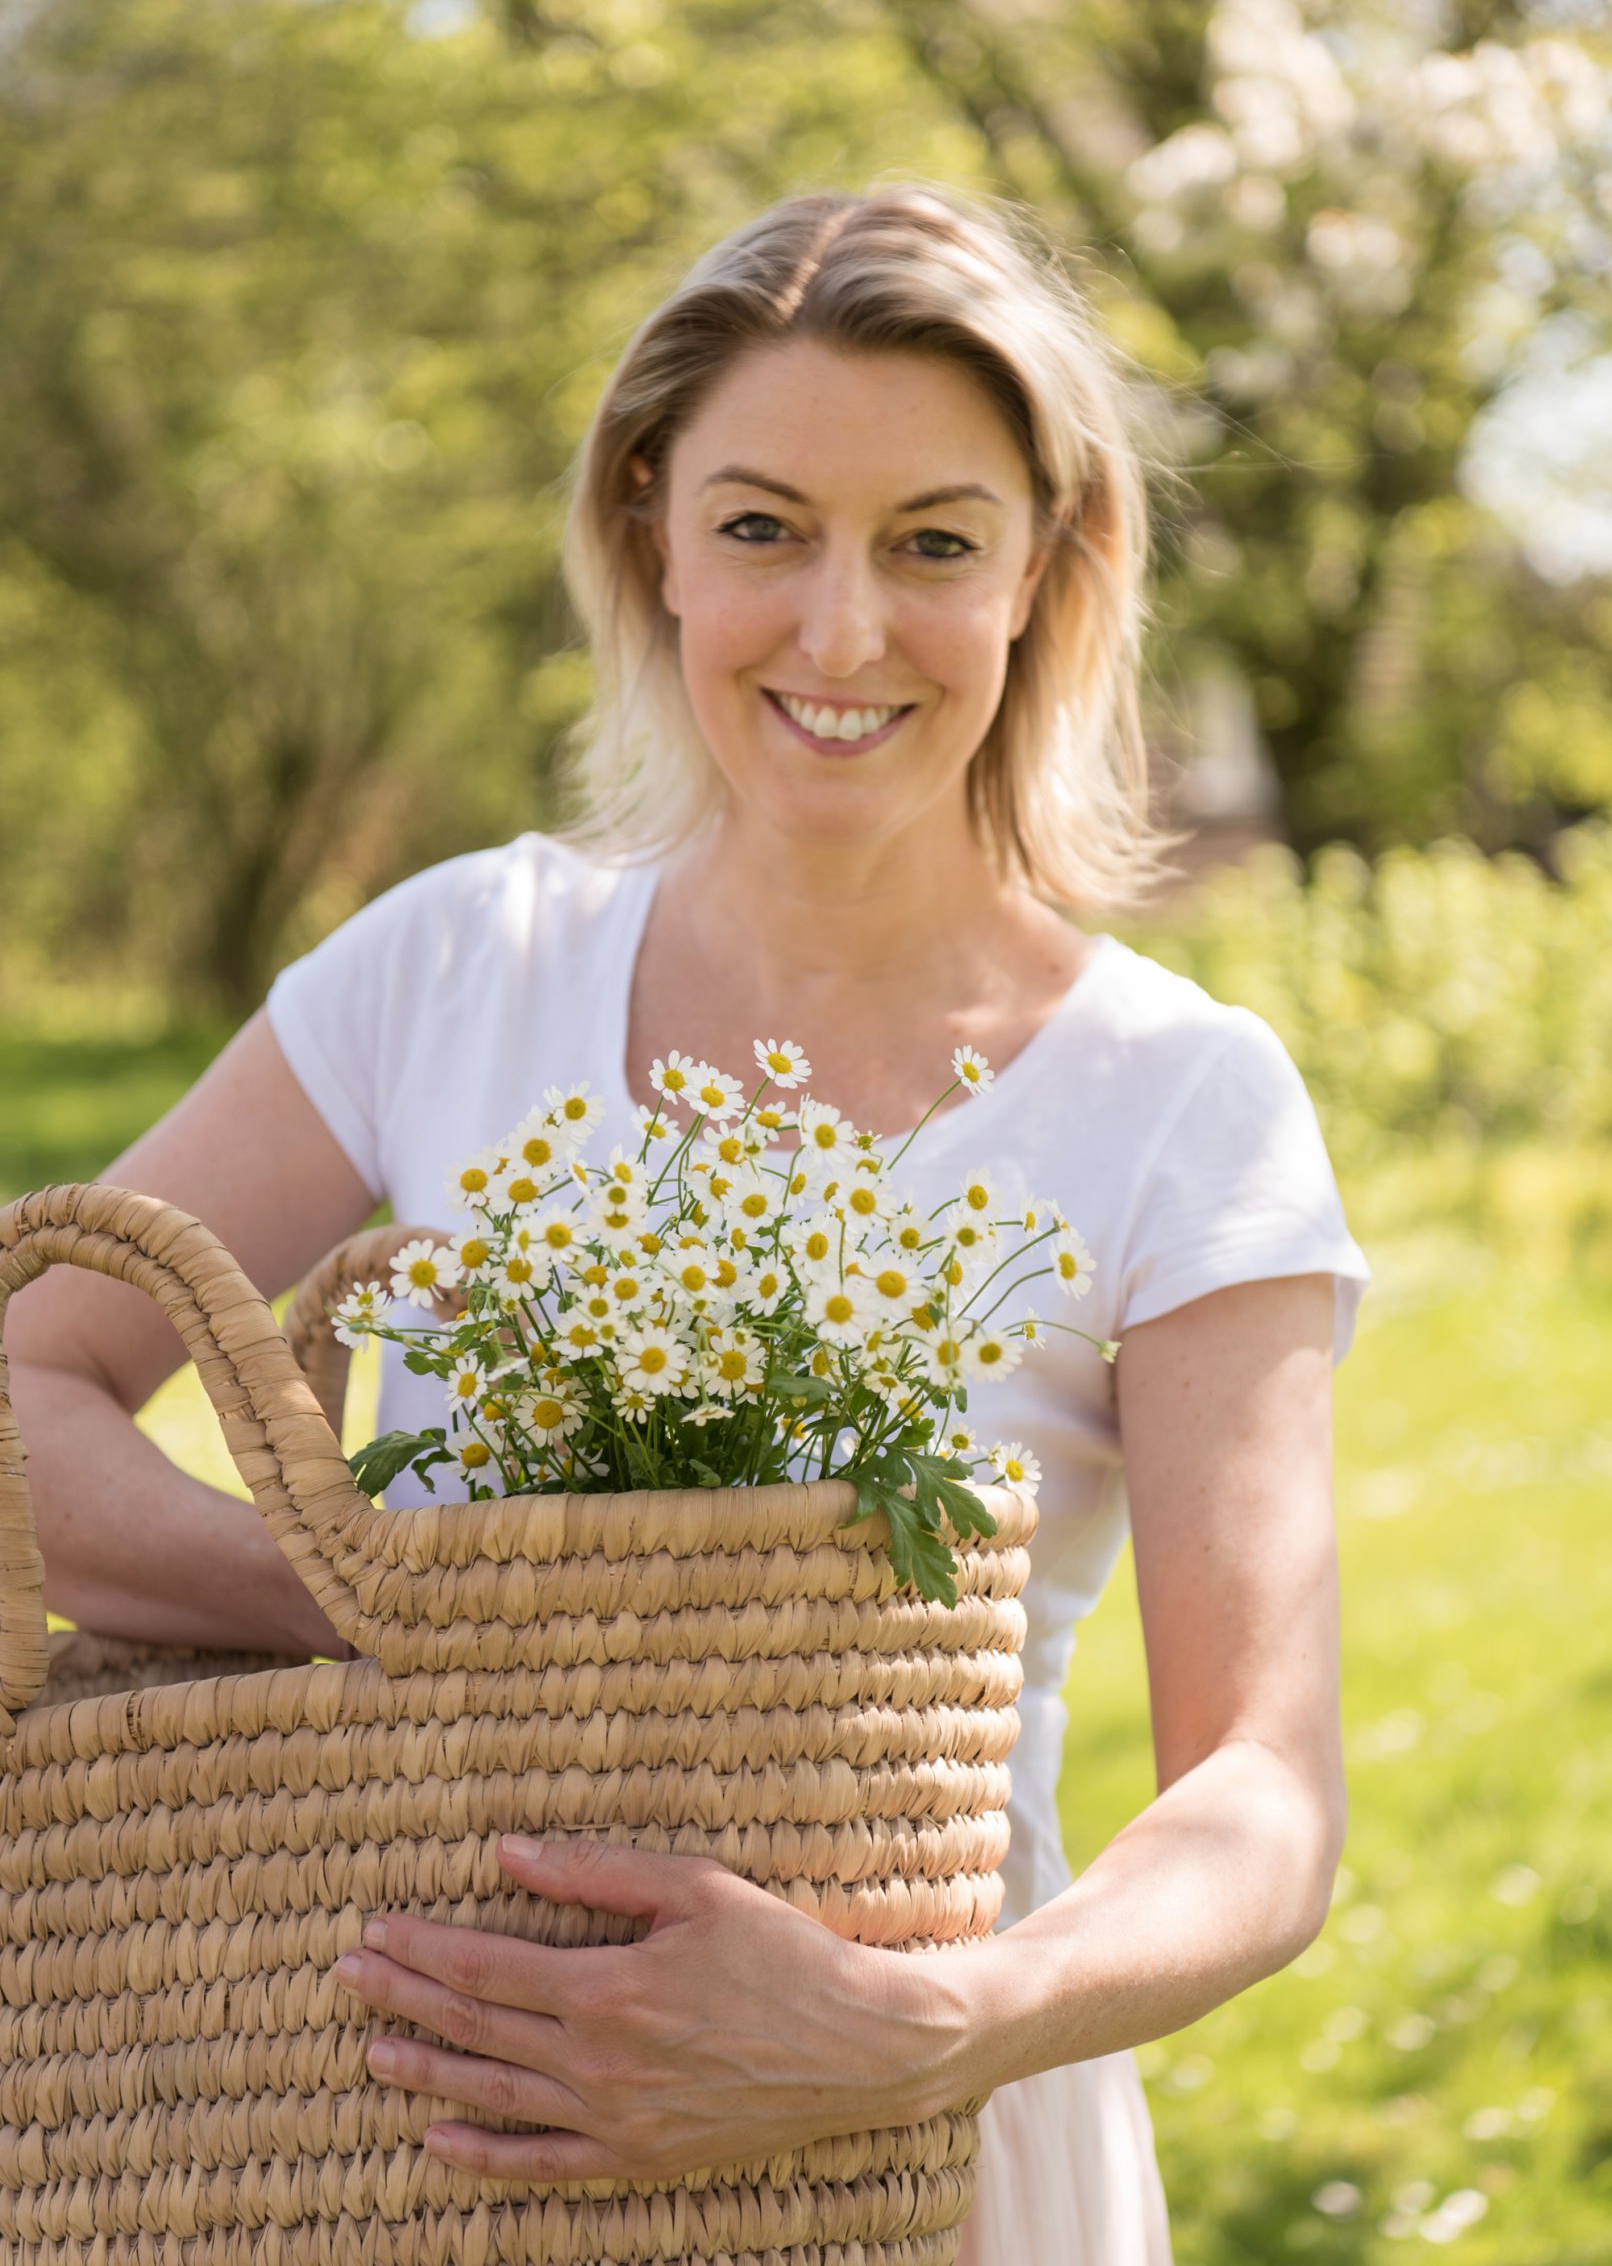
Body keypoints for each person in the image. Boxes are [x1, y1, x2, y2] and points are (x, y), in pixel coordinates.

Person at [11, 181, 1370, 2263]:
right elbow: (30, 1363)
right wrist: (391, 1610)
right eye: (760, 527)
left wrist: (918, 2025)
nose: (840, 631)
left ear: (1045, 566)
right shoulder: (454, 962)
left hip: (924, 2144)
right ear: (649, 527)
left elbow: (1260, 1804)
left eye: (931, 541)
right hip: (391, 2138)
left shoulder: (1183, 1101)